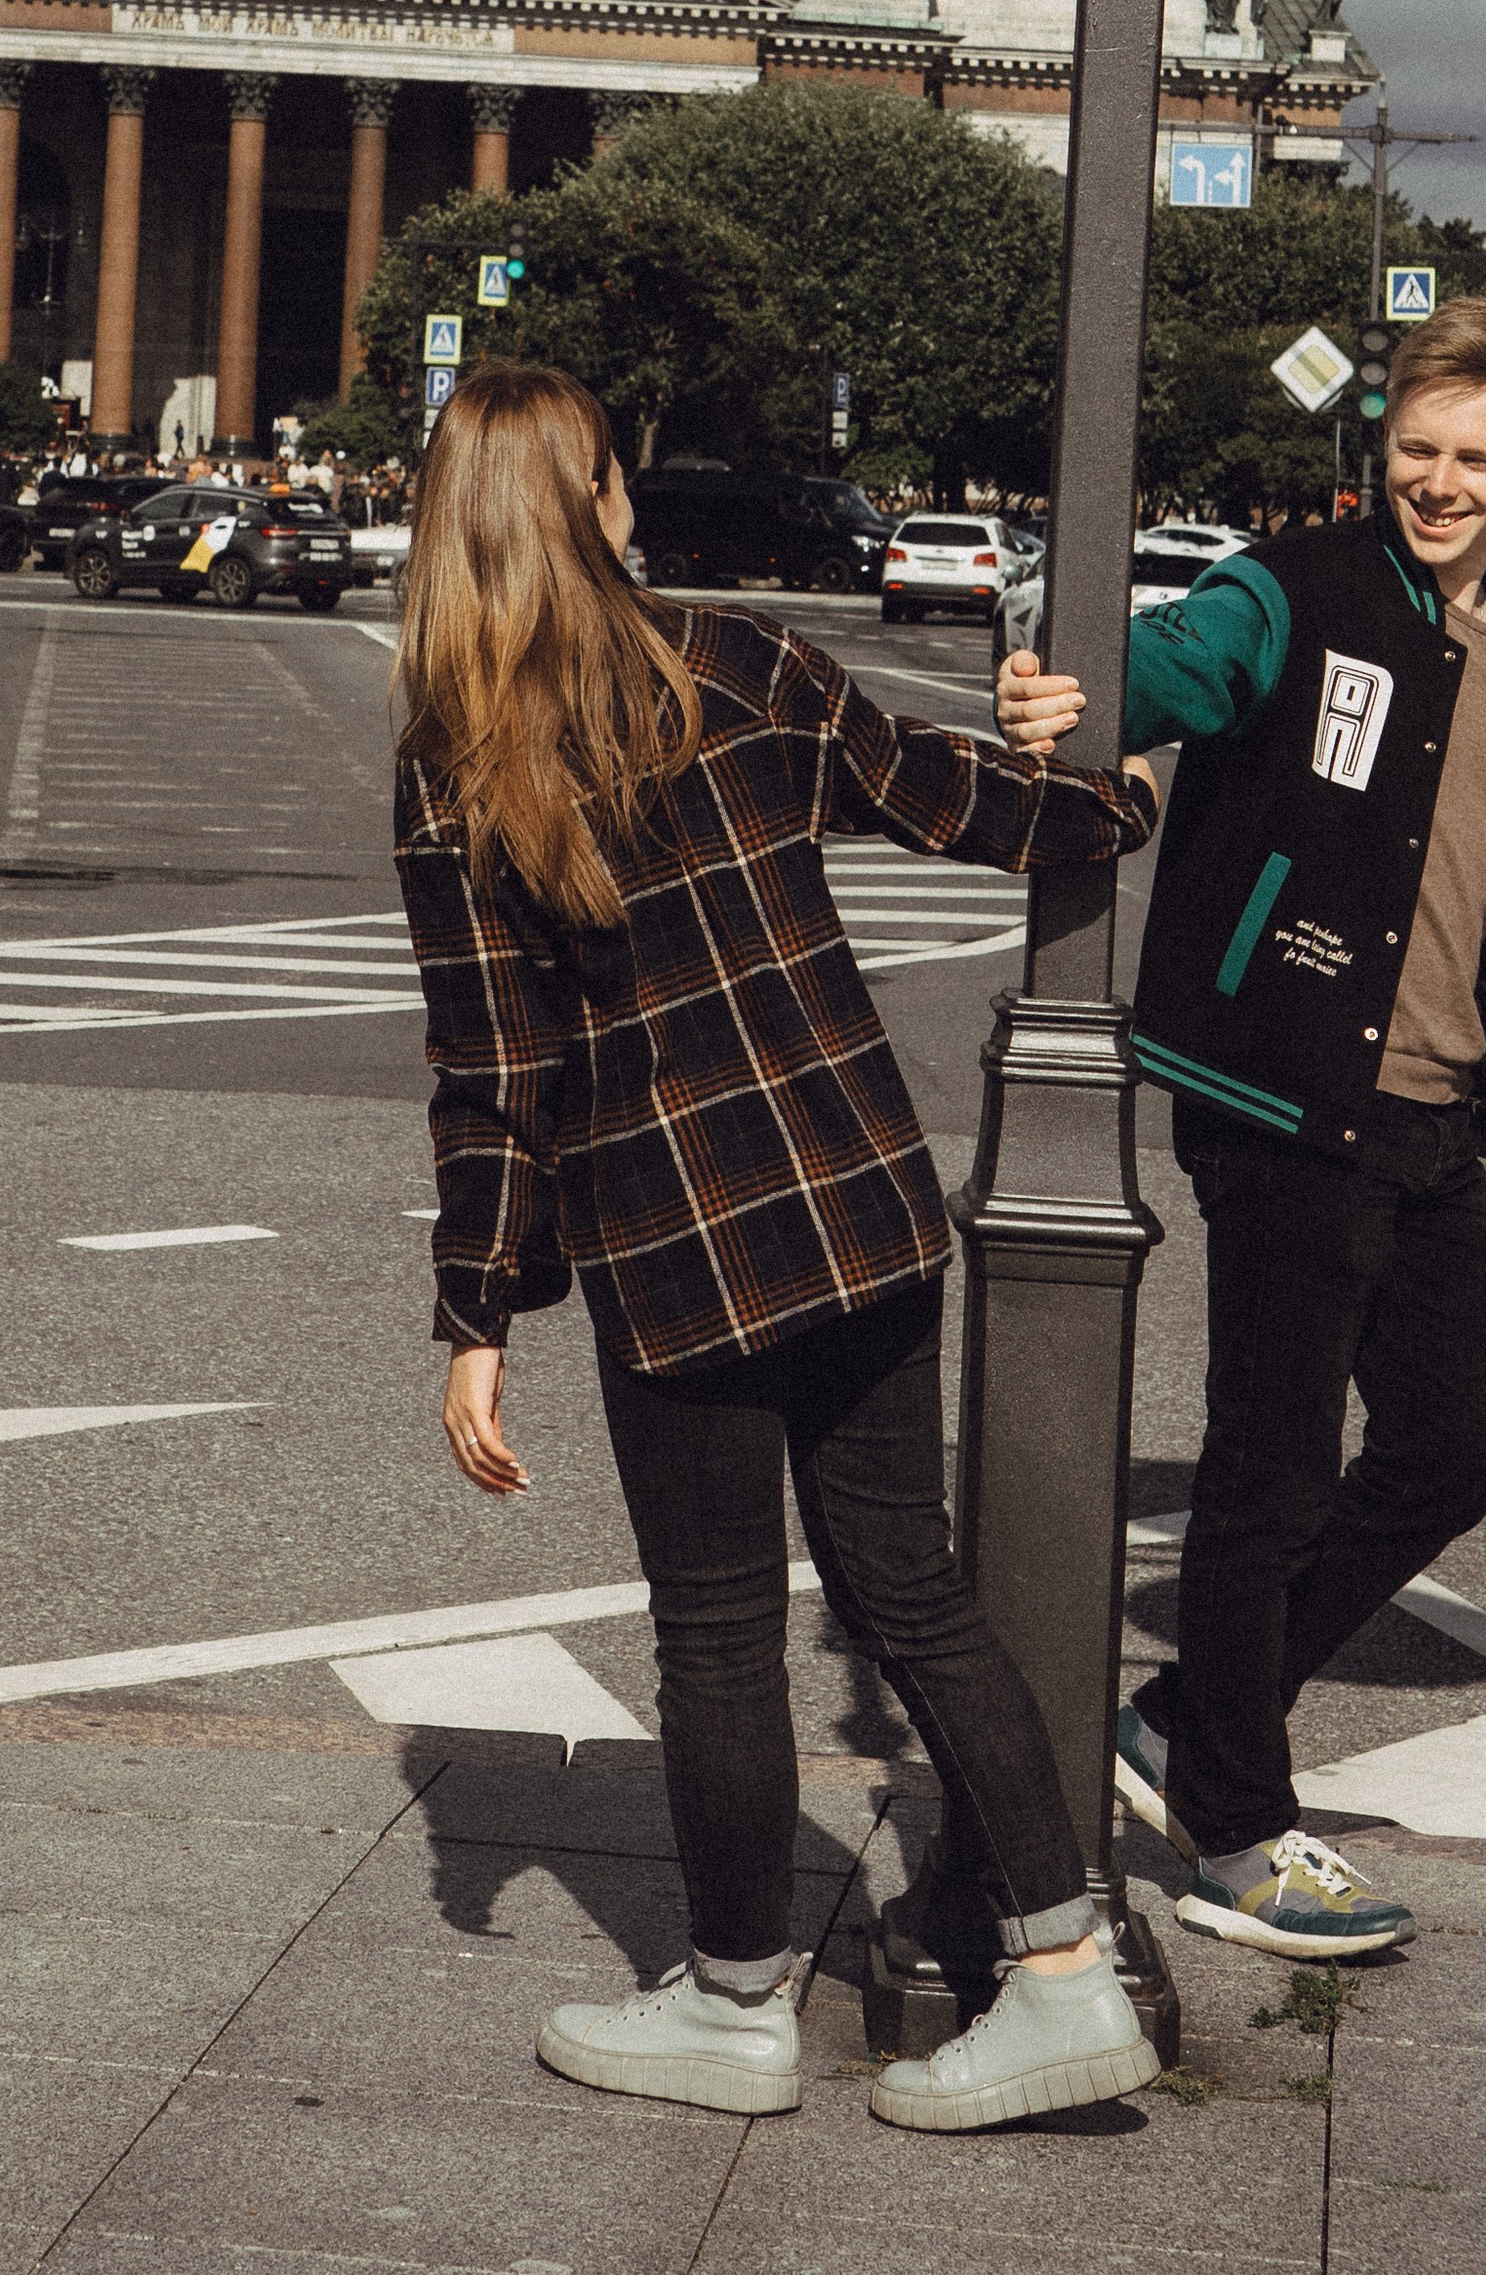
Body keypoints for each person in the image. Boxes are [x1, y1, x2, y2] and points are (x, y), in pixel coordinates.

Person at [396, 364, 1164, 2134]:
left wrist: (477, 1315)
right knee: (916, 1594)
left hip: (675, 1255)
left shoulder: (460, 773)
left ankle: (738, 2004)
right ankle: (1064, 1966)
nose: (635, 500)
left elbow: (493, 1073)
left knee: (723, 1629)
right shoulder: (739, 663)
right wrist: (1107, 791)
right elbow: (965, 808)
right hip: (862, 1206)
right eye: (616, 476)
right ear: (590, 503)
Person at [998, 289, 1486, 1966]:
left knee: (1448, 1454)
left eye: (1476, 458)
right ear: (1382, 440)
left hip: (1427, 1108)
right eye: (1418, 446)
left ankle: (1197, 1712)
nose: (1439, 480)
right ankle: (1240, 1831)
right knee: (1270, 1471)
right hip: (1281, 1088)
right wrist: (1082, 701)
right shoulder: (1301, 586)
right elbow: (1178, 668)